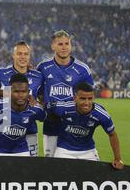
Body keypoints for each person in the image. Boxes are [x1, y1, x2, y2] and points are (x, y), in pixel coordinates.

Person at [36, 30, 94, 158]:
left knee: (74, 165)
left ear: (71, 46)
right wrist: (45, 106)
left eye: (67, 44)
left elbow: (90, 98)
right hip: (51, 125)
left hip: (74, 126)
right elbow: (37, 93)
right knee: (50, 163)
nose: (64, 47)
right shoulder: (43, 67)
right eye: (60, 44)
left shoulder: (82, 69)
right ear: (53, 46)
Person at [50, 82, 124, 169]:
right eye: (82, 98)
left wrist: (118, 159)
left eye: (90, 99)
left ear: (93, 98)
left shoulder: (101, 114)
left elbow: (112, 134)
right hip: (64, 150)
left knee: (95, 179)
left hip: (88, 151)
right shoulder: (62, 108)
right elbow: (45, 109)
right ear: (75, 98)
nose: (87, 103)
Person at [0, 74, 45, 156]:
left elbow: (44, 117)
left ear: (28, 92)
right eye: (16, 91)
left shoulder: (36, 109)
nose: (20, 95)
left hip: (21, 151)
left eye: (23, 92)